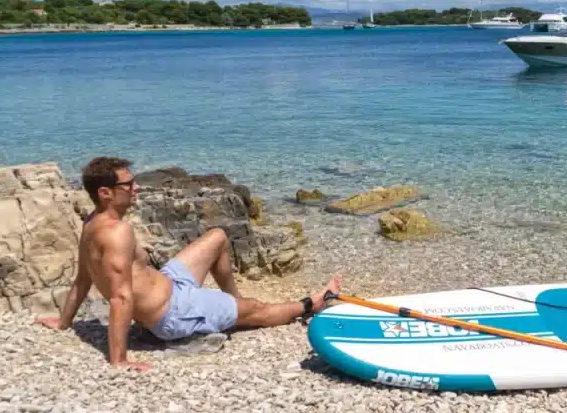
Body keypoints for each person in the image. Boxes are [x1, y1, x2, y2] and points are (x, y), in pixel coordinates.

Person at [35, 156, 342, 371]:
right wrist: (119, 359)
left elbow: (82, 279)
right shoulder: (117, 232)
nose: (136, 188)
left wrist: (63, 323)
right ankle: (310, 304)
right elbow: (120, 297)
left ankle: (232, 304)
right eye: (128, 185)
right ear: (105, 193)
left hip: (170, 283)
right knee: (259, 310)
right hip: (173, 312)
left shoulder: (91, 223)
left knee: (218, 236)